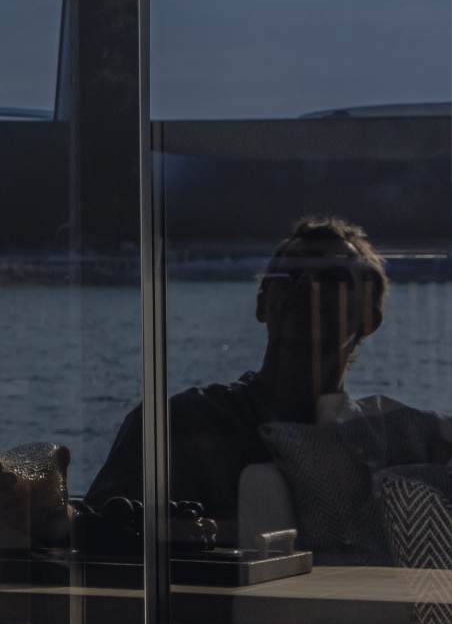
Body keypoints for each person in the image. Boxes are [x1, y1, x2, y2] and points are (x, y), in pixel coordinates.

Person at [82, 214, 390, 520]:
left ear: (369, 319)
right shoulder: (175, 425)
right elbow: (99, 532)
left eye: (333, 277)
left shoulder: (383, 444)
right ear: (262, 303)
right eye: (291, 274)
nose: (308, 284)